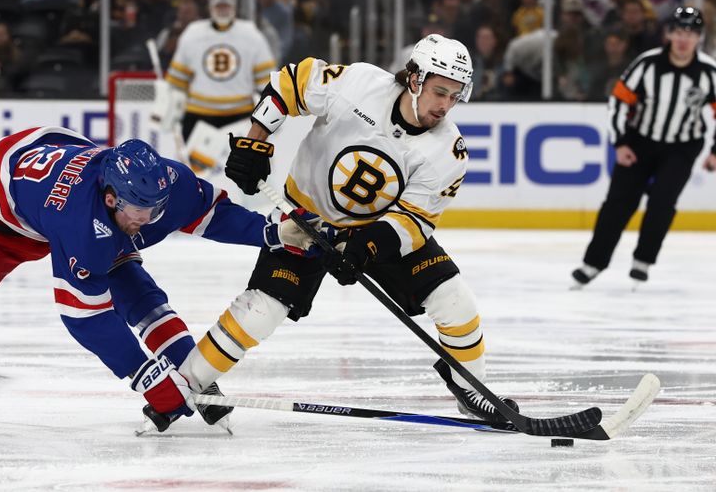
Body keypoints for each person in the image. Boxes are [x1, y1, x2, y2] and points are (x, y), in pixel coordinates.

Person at [171, 34, 520, 424]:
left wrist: (365, 249)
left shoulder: (448, 150)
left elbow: (414, 220)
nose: (446, 105)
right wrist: (256, 141)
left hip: (374, 231)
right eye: (440, 91)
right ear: (415, 79)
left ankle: (473, 390)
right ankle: (185, 384)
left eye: (455, 96)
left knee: (454, 299)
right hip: (306, 221)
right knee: (261, 309)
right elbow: (293, 82)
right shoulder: (358, 84)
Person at [0, 126, 319, 431]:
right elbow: (84, 317)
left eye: (157, 210)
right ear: (110, 199)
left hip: (57, 183)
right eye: (139, 212)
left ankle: (190, 372)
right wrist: (148, 380)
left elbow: (213, 215)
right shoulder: (83, 223)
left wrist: (272, 232)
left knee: (141, 295)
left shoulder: (162, 187)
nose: (149, 221)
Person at [572, 7, 716, 288]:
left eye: (690, 33)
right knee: (618, 203)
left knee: (662, 202)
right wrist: (621, 142)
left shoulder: (709, 72)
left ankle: (643, 261)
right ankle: (593, 264)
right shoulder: (647, 64)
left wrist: (714, 150)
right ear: (668, 34)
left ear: (699, 37)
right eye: (678, 32)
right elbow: (618, 101)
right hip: (640, 143)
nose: (683, 39)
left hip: (683, 146)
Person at [151, 0, 277, 182]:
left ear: (234, 7)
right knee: (196, 177)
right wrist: (169, 108)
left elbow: (266, 81)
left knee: (246, 175)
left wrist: (270, 113)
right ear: (210, 7)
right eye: (219, 5)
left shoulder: (251, 34)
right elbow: (177, 82)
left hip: (241, 117)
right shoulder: (193, 33)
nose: (223, 9)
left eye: (226, 5)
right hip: (199, 117)